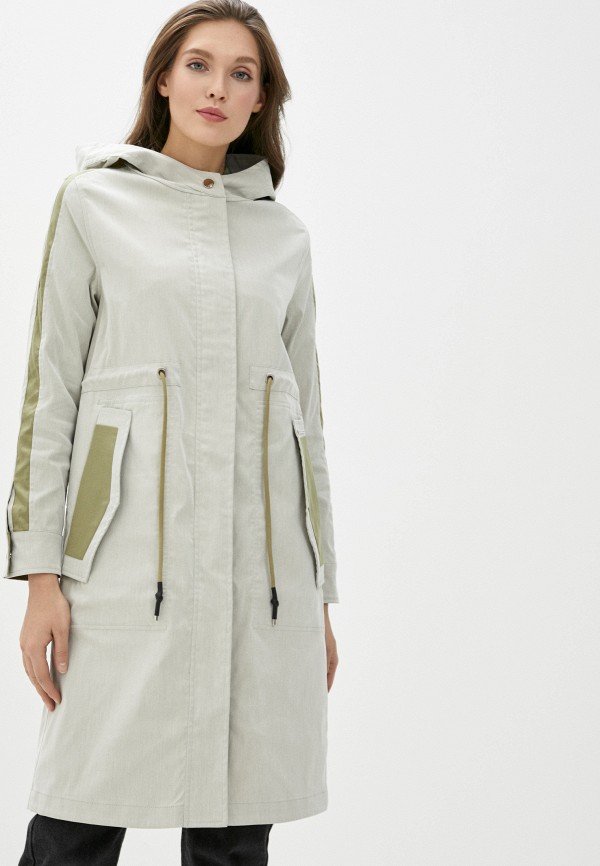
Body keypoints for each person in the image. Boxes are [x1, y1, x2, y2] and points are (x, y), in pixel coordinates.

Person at [5, 0, 341, 863]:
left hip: (263, 587)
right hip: (118, 577)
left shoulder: (283, 236)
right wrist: (41, 576)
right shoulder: (93, 203)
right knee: (75, 828)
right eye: (199, 65)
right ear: (162, 79)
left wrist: (319, 595)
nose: (217, 88)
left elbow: (306, 428)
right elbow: (52, 396)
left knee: (234, 837)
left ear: (262, 99)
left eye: (241, 73)